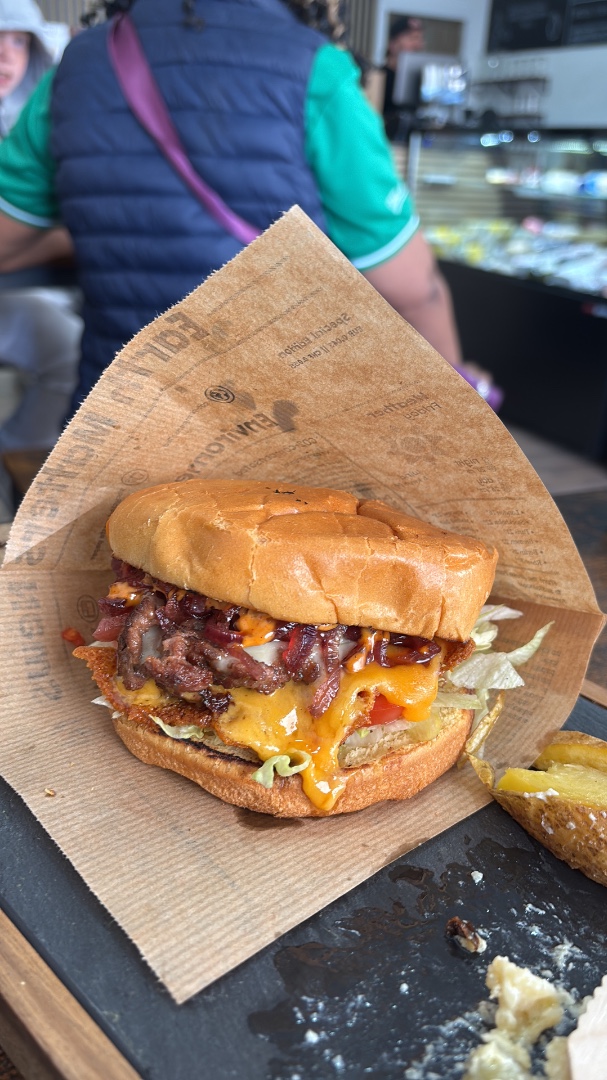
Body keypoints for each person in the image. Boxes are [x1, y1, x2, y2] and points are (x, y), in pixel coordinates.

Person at [0, 0, 465, 418]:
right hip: (276, 431)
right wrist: (458, 409)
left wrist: (90, 232)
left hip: (115, 425)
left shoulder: (76, 69)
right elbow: (411, 290)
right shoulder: (313, 68)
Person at [0, 0, 82, 516]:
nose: (6, 56)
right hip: (22, 289)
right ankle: (22, 471)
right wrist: (65, 236)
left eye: (17, 40)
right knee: (68, 348)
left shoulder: (30, 117)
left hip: (38, 282)